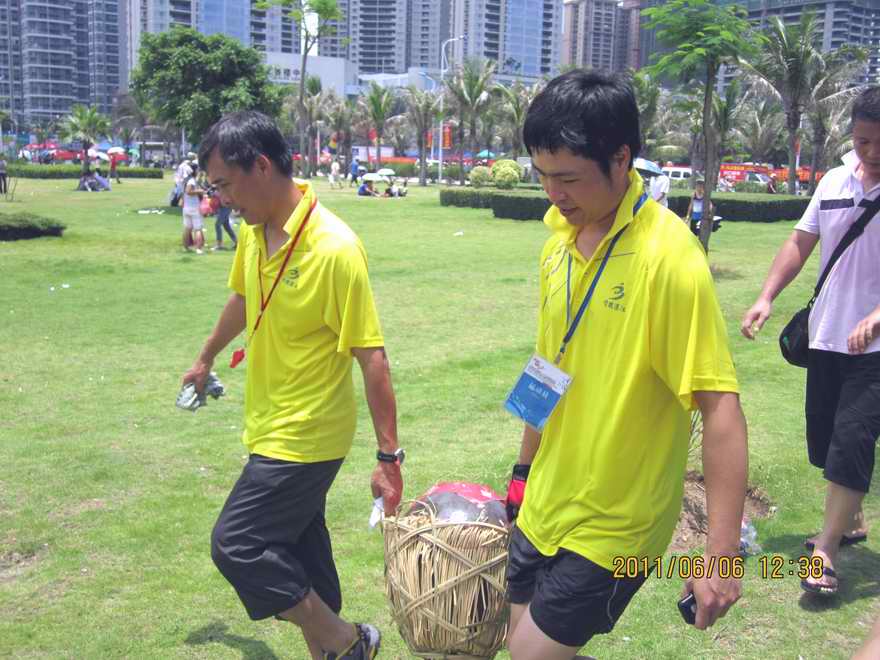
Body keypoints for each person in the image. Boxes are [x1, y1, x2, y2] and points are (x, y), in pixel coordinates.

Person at [504, 69, 748, 659]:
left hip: (617, 522)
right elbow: (548, 369)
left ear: (621, 159)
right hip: (545, 502)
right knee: (517, 644)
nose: (553, 194)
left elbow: (719, 407)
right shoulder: (557, 245)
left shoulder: (669, 259)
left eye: (568, 178)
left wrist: (720, 555)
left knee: (528, 656)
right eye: (542, 176)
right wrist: (521, 474)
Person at [182, 110, 403, 660]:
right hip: (268, 422)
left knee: (237, 543)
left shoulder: (334, 249)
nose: (221, 199)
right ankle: (333, 651)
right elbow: (244, 297)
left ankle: (348, 641)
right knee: (301, 554)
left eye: (225, 185)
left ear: (261, 166)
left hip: (308, 435)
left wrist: (388, 457)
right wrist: (206, 356)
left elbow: (372, 356)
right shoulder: (254, 232)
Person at [741, 86, 880, 597]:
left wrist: (877, 316)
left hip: (876, 351)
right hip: (826, 336)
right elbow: (801, 242)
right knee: (823, 440)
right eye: (863, 141)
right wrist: (766, 297)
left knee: (852, 438)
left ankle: (826, 551)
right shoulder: (834, 181)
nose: (872, 152)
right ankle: (852, 519)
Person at [182, 163, 206, 254]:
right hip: (194, 207)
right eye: (197, 169)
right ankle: (198, 248)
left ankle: (186, 247)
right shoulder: (191, 180)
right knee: (198, 229)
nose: (198, 171)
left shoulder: (186, 180)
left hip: (186, 207)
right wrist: (200, 191)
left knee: (187, 228)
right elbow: (188, 191)